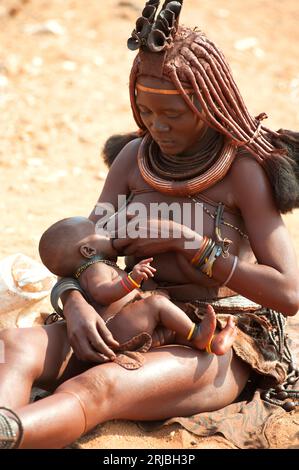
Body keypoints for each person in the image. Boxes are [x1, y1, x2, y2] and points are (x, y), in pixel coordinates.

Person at [0, 0, 299, 449]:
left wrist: (191, 243)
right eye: (147, 110)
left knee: (98, 387)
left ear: (208, 104)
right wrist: (76, 304)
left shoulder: (243, 172)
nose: (157, 126)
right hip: (125, 315)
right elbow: (83, 252)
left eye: (173, 114)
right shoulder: (131, 161)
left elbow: (289, 294)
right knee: (14, 346)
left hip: (212, 340)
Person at [38, 216, 237, 357]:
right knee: (157, 304)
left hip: (128, 326)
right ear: (88, 251)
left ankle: (211, 344)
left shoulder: (93, 268)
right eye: (101, 233)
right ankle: (199, 335)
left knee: (169, 328)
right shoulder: (94, 268)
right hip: (117, 327)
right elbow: (103, 293)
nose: (109, 233)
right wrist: (131, 280)